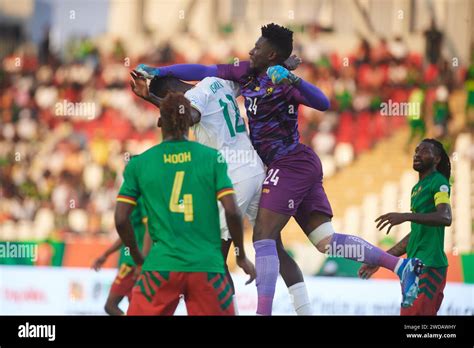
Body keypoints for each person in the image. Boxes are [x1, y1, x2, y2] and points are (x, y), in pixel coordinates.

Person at [136, 23, 423, 315]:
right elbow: (201, 70)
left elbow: (322, 102)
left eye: (257, 48)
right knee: (322, 241)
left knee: (252, 242)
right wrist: (161, 71)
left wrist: (292, 78)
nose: (250, 51)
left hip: (279, 166)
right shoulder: (241, 77)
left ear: (270, 53)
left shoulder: (278, 83)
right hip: (279, 165)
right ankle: (399, 266)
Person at [129, 63, 312, 314]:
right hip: (257, 171)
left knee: (215, 257)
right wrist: (279, 64)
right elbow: (251, 75)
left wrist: (150, 96)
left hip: (234, 179)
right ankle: (305, 310)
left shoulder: (193, 98)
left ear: (172, 94)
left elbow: (189, 116)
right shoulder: (219, 82)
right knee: (274, 247)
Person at [115, 92, 255, 315]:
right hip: (207, 267)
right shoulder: (212, 158)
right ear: (189, 121)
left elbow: (121, 218)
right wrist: (240, 255)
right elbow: (232, 211)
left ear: (160, 122)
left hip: (161, 265)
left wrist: (137, 255)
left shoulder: (139, 164)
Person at [359, 139, 452, 315]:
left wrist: (405, 216)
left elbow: (445, 217)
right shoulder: (417, 188)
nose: (417, 153)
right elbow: (415, 234)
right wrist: (380, 260)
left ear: (437, 158)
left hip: (430, 264)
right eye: (416, 150)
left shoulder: (439, 182)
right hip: (412, 267)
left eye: (425, 151)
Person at [92, 197, 149, 315]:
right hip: (131, 261)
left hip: (134, 263)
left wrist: (141, 262)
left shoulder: (142, 197)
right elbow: (126, 233)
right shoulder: (134, 196)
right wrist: (106, 254)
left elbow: (148, 229)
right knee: (131, 307)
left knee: (111, 305)